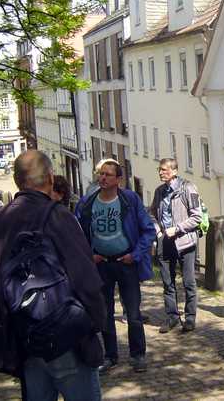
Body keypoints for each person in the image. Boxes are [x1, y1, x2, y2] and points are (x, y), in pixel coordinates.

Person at [0, 150, 106, 401]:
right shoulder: (57, 216)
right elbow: (85, 277)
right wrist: (96, 323)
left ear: (17, 181)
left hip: (25, 339)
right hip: (66, 336)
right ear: (50, 177)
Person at [76, 159, 155, 374]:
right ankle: (110, 356)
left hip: (125, 263)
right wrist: (89, 255)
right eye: (101, 174)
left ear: (118, 179)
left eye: (108, 174)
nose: (102, 178)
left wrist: (135, 255)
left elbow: (149, 230)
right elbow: (77, 233)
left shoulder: (129, 200)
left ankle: (138, 355)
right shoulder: (87, 203)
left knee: (133, 312)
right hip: (101, 265)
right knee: (105, 313)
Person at [150, 158, 202, 334]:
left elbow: (197, 217)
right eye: (159, 169)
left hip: (185, 242)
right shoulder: (159, 192)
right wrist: (158, 232)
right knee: (167, 282)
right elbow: (152, 215)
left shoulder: (188, 188)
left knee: (188, 282)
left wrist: (177, 229)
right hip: (165, 241)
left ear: (174, 171)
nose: (160, 172)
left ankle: (190, 318)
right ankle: (172, 316)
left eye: (164, 170)